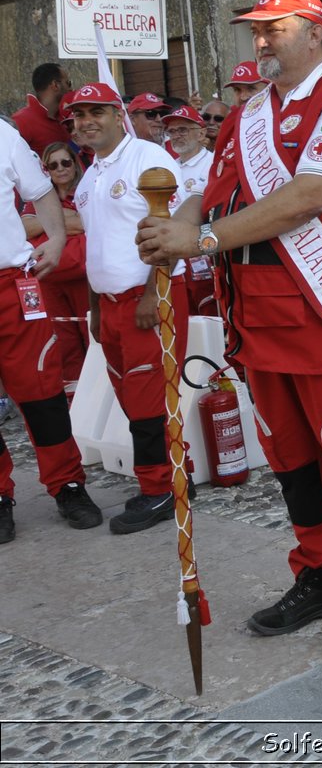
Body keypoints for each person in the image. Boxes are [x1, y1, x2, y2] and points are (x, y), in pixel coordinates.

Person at [137, 0, 322, 657]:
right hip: (256, 321)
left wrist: (201, 241)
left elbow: (306, 197)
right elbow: (210, 192)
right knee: (292, 463)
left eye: (276, 28)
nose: (261, 41)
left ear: (316, 33)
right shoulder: (247, 115)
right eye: (255, 31)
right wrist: (170, 230)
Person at [68, 82, 187, 534]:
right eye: (79, 116)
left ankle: (159, 491)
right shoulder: (91, 174)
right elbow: (98, 245)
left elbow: (175, 228)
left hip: (146, 298)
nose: (86, 122)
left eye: (96, 111)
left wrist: (151, 295)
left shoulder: (148, 160)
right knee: (131, 398)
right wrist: (96, 309)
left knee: (147, 400)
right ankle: (175, 476)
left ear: (119, 115)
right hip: (110, 306)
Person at [0, 120, 102, 543]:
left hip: (11, 283)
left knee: (42, 392)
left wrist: (57, 239)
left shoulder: (3, 134)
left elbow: (40, 191)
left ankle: (68, 485)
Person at [22, 143, 91, 394]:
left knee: (91, 334)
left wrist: (47, 222)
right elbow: (24, 229)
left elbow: (87, 222)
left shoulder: (87, 189)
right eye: (52, 165)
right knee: (63, 340)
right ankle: (74, 398)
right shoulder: (38, 195)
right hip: (48, 279)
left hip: (84, 277)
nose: (60, 169)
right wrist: (63, 218)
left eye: (65, 162)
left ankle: (100, 392)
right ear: (45, 169)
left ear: (74, 163)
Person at [162, 105, 218, 317]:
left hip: (203, 251)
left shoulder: (212, 163)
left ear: (201, 132)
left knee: (208, 314)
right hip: (175, 252)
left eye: (183, 129)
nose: (176, 136)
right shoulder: (167, 166)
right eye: (172, 131)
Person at [13, 63, 75, 156]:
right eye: (68, 83)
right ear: (55, 85)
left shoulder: (65, 120)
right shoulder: (21, 121)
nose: (71, 89)